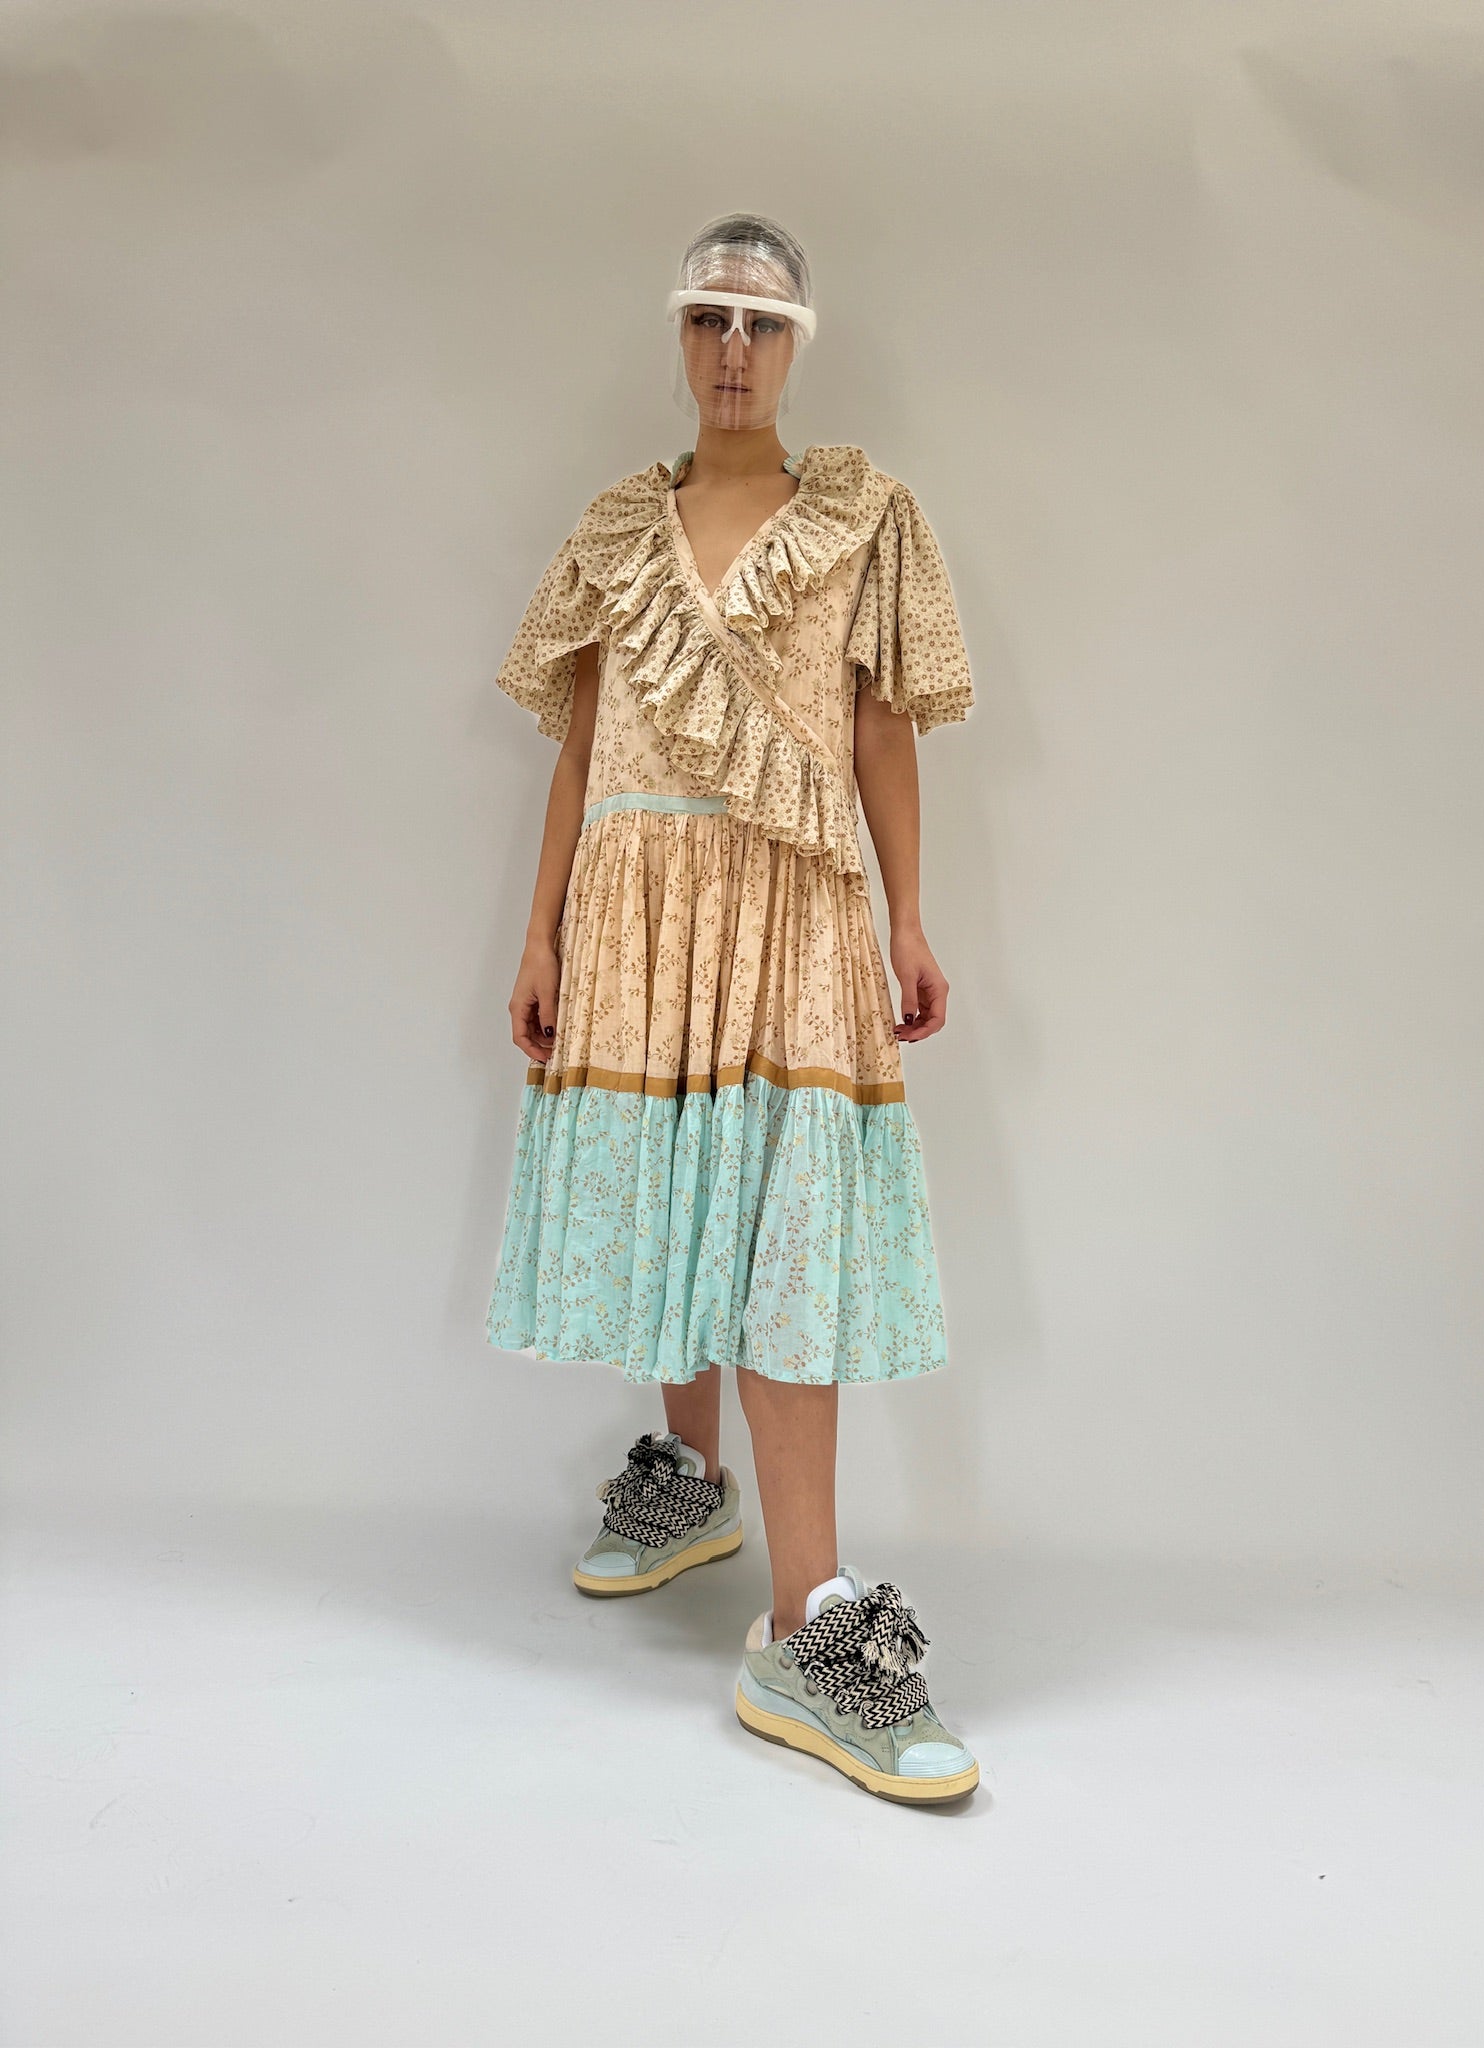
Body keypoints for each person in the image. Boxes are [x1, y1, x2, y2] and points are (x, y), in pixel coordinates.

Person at [485, 212, 980, 1803]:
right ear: (679, 334)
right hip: (638, 908)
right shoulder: (613, 530)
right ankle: (691, 1479)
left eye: (761, 323)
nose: (733, 349)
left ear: (799, 343)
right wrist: (541, 930)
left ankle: (805, 1621)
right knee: (674, 1186)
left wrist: (908, 914)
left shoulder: (866, 519)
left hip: (792, 903)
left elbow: (884, 728)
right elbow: (581, 743)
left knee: (783, 1221)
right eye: (708, 317)